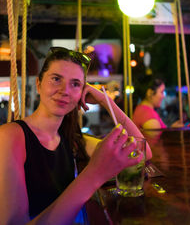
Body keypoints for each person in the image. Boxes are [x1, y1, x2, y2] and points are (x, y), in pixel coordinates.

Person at [0, 46, 152, 225]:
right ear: (39, 85)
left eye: (75, 84)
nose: (65, 90)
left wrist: (105, 100)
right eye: (56, 79)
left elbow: (142, 153)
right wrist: (94, 174)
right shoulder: (10, 136)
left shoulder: (69, 139)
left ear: (81, 93)